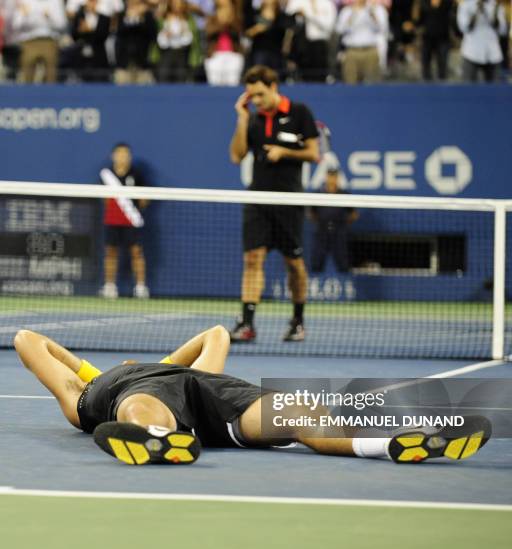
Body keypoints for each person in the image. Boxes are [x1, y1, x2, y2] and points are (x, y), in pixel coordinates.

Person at [13, 325, 492, 466]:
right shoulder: (81, 396)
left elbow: (216, 334)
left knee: (302, 412)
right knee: (140, 409)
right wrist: (91, 369)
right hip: (140, 396)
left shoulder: (167, 369)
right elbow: (27, 340)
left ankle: (393, 442)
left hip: (214, 401)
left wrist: (151, 362)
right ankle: (155, 439)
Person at [229, 65, 320, 343]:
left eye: (259, 95)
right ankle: (247, 323)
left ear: (273, 86)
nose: (256, 101)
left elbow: (314, 153)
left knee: (294, 264)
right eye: (251, 96)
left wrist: (285, 152)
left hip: (289, 201)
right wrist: (242, 119)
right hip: (257, 200)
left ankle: (297, 321)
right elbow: (236, 156)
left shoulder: (300, 112)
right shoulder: (253, 120)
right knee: (252, 259)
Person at [100, 143, 151, 299]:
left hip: (132, 221)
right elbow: (105, 200)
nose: (122, 156)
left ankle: (141, 288)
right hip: (112, 221)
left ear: (129, 156)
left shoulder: (137, 174)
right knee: (110, 252)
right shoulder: (106, 175)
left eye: (125, 154)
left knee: (136, 252)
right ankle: (109, 287)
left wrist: (132, 211)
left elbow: (145, 199)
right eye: (119, 153)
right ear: (113, 156)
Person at [310, 167, 358, 274]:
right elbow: (311, 213)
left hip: (339, 233)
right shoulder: (318, 194)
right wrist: (321, 222)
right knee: (316, 263)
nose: (332, 179)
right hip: (322, 232)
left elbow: (354, 214)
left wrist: (342, 223)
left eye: (334, 176)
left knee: (343, 264)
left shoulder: (345, 194)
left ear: (337, 178)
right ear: (326, 177)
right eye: (330, 176)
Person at [11, 0, 67, 83]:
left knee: (51, 76)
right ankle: (27, 95)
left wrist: (49, 17)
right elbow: (16, 25)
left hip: (49, 42)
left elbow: (62, 25)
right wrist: (24, 16)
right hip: (29, 42)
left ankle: (51, 95)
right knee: (27, 76)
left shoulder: (55, 2)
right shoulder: (25, 1)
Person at [336, 0, 388, 84]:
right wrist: (353, 13)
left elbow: (383, 29)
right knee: (350, 84)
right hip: (351, 52)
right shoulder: (347, 11)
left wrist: (372, 13)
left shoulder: (378, 9)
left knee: (372, 85)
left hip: (370, 51)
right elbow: (340, 29)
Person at [457, 0, 507, 82]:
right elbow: (463, 28)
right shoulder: (466, 5)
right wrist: (476, 11)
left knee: (495, 90)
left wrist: (495, 19)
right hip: (471, 52)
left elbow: (503, 31)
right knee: (467, 89)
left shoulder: (497, 6)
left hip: (493, 53)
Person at [415, 0, 454, 81]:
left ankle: (442, 88)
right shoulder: (424, 3)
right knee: (425, 65)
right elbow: (420, 20)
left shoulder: (447, 2)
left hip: (443, 38)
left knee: (442, 65)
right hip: (427, 38)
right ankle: (426, 88)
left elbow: (452, 16)